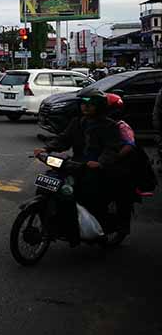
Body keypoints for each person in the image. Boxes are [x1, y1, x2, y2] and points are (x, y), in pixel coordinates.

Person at [34, 89, 121, 244]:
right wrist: (46, 149)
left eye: (91, 104)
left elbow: (112, 148)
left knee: (87, 195)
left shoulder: (109, 126)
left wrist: (100, 162)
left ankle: (97, 227)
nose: (85, 107)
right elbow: (63, 139)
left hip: (96, 169)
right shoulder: (77, 122)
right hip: (75, 165)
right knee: (51, 184)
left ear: (99, 106)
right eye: (83, 103)